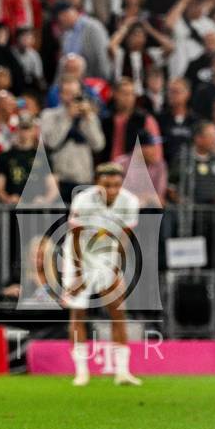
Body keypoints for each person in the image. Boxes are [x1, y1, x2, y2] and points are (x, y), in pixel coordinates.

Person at [65, 163, 142, 387]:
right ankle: (81, 372)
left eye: (116, 185)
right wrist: (79, 275)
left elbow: (124, 238)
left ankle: (123, 372)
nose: (112, 190)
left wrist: (116, 269)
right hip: (79, 254)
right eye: (107, 185)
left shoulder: (130, 202)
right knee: (78, 312)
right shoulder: (83, 200)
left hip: (107, 253)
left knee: (118, 309)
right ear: (97, 183)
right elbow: (76, 237)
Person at [40, 75, 104, 202]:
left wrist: (88, 118)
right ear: (60, 95)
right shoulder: (49, 115)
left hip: (84, 179)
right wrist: (67, 117)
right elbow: (51, 143)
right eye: (67, 93)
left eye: (75, 93)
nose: (72, 97)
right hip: (58, 180)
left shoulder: (88, 116)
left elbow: (98, 145)